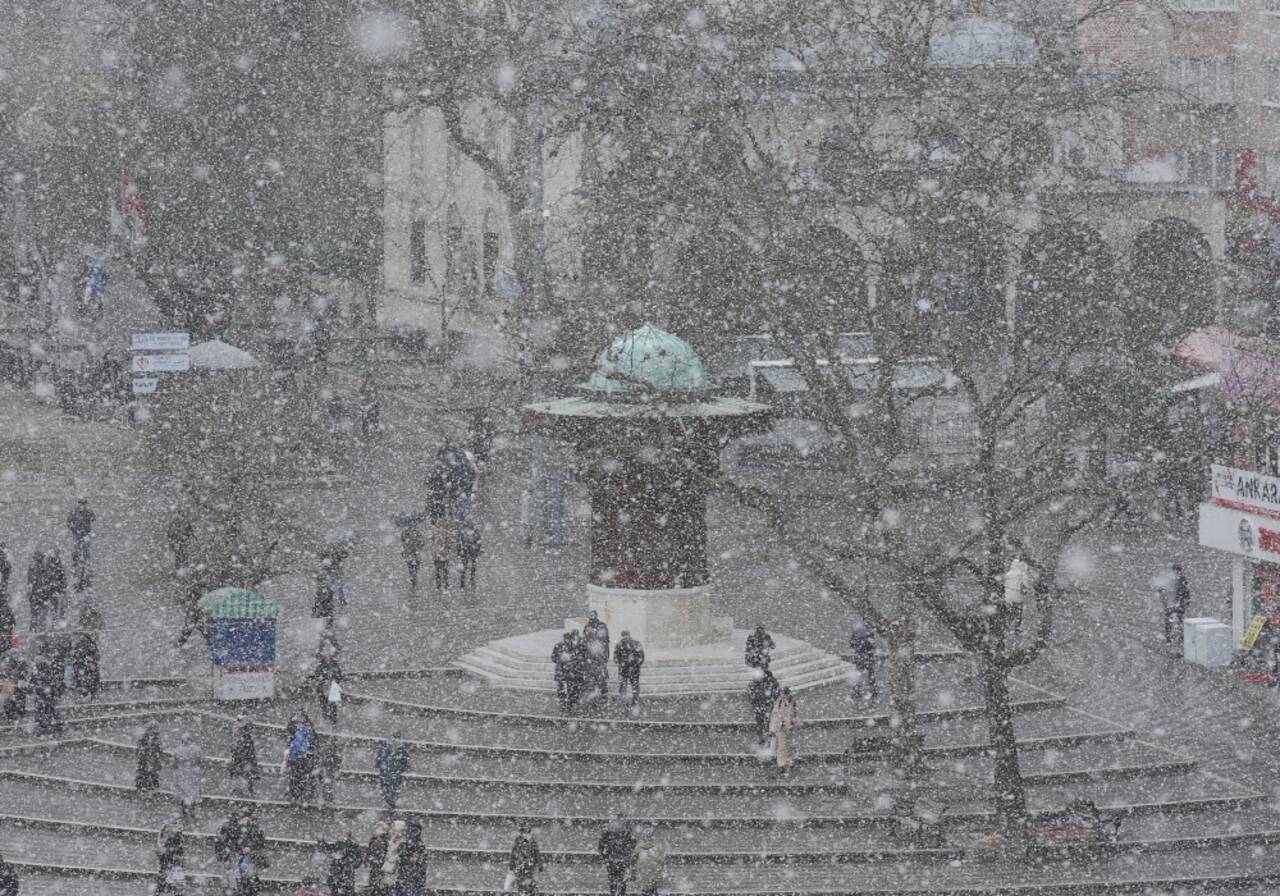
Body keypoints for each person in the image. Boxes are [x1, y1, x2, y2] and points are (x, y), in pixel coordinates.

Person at [597, 816, 637, 896]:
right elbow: (633, 843)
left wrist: (605, 857)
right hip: (622, 859)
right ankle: (621, 893)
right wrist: (628, 854)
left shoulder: (608, 830)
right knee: (622, 879)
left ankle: (614, 892)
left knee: (612, 880)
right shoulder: (626, 829)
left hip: (611, 859)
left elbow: (601, 845)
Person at [317, 829, 363, 896]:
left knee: (343, 890)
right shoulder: (341, 845)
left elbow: (358, 862)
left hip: (345, 877)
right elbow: (326, 848)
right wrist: (320, 840)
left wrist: (346, 861)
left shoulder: (352, 847)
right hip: (339, 876)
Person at [307, 649, 344, 726]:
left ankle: (332, 720)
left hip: (330, 689)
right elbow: (317, 675)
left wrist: (333, 680)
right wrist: (321, 679)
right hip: (323, 689)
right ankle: (327, 719)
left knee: (331, 705)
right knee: (324, 705)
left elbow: (339, 676)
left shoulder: (334, 666)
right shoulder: (322, 666)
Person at [391, 818, 427, 896]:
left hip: (409, 878)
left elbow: (422, 864)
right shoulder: (409, 844)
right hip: (409, 878)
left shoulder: (415, 845)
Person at [286, 712, 316, 804]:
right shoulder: (306, 732)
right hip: (303, 758)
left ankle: (295, 796)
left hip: (298, 758)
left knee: (295, 777)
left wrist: (291, 758)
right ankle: (300, 796)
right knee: (301, 778)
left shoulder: (300, 733)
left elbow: (295, 745)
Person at [768, 687, 799, 775]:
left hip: (789, 727)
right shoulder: (779, 702)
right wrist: (772, 729)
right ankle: (781, 765)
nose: (783, 696)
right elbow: (774, 716)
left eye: (784, 694)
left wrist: (793, 723)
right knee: (782, 747)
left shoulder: (793, 703)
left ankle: (789, 762)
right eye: (782, 694)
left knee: (789, 746)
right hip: (780, 727)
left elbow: (797, 715)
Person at [174, 731, 204, 820]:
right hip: (193, 773)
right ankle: (192, 810)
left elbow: (175, 762)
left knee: (183, 792)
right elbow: (200, 760)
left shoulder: (178, 749)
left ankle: (184, 810)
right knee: (194, 792)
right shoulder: (197, 749)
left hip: (182, 773)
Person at [376, 731, 410, 810]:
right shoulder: (401, 748)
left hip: (387, 769)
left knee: (387, 785)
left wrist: (379, 764)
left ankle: (388, 800)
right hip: (394, 770)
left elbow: (379, 758)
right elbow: (404, 761)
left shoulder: (385, 746)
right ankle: (391, 801)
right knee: (393, 786)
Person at [66, 497, 94, 592]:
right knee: (76, 548)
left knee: (86, 549)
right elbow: (68, 522)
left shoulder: (88, 512)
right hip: (77, 534)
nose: (82, 506)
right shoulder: (74, 512)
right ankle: (76, 561)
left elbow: (93, 518)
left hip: (85, 534)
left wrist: (88, 516)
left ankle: (86, 561)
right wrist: (73, 528)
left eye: (84, 504)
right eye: (81, 504)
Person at [582, 611, 610, 704]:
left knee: (601, 677)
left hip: (600, 655)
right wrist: (586, 656)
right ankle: (593, 696)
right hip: (591, 655)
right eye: (590, 615)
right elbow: (584, 641)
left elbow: (606, 640)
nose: (591, 617)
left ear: (596, 616)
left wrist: (605, 656)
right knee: (591, 677)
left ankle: (603, 695)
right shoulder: (587, 627)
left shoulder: (602, 626)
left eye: (593, 615)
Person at [508, 825, 544, 896]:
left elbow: (537, 853)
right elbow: (513, 853)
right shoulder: (518, 841)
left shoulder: (532, 842)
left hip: (529, 866)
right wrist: (511, 864)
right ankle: (523, 892)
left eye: (526, 832)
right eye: (523, 832)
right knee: (521, 883)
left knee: (529, 883)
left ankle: (528, 892)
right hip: (520, 866)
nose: (524, 834)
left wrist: (540, 864)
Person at [849, 621, 880, 703]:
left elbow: (851, 643)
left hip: (859, 656)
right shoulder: (870, 631)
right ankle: (873, 691)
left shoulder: (857, 630)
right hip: (868, 657)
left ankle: (857, 691)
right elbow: (872, 644)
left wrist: (856, 647)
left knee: (859, 675)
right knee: (871, 674)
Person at [229, 715, 260, 797]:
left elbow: (241, 748)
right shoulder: (241, 734)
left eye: (237, 721)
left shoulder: (242, 734)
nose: (235, 723)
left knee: (242, 774)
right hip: (242, 759)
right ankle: (244, 790)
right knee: (243, 774)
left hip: (242, 759)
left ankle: (243, 791)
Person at [749, 669, 780, 747]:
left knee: (762, 724)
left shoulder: (757, 682)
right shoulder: (771, 681)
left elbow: (751, 693)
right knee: (766, 723)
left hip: (762, 706)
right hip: (765, 706)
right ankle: (767, 739)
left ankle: (764, 739)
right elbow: (777, 692)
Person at [613, 630, 645, 705]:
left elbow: (641, 655)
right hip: (625, 669)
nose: (625, 636)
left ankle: (634, 699)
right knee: (625, 685)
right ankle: (625, 700)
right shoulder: (620, 644)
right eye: (624, 635)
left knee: (633, 685)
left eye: (626, 635)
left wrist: (637, 663)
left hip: (631, 668)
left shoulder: (635, 643)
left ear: (629, 635)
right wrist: (620, 662)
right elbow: (615, 656)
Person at [315, 725, 343, 807]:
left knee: (327, 785)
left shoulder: (331, 749)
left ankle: (327, 800)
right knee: (327, 785)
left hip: (328, 768)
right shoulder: (330, 748)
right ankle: (326, 800)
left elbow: (337, 759)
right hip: (327, 768)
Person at [313, 550, 346, 619]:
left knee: (325, 597)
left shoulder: (330, 571)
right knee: (325, 597)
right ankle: (324, 612)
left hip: (329, 586)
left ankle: (323, 612)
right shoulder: (331, 571)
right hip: (329, 587)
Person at [551, 631, 579, 712]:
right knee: (562, 688)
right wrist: (561, 661)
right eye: (566, 639)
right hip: (563, 671)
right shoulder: (559, 646)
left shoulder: (573, 647)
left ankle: (568, 704)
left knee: (570, 688)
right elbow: (553, 657)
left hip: (569, 671)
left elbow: (577, 658)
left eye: (568, 639)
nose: (567, 640)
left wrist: (572, 663)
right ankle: (564, 703)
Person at [397, 514, 425, 593]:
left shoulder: (408, 532)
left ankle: (413, 577)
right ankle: (413, 577)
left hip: (412, 553)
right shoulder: (407, 533)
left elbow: (421, 542)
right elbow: (422, 543)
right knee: (413, 567)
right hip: (412, 553)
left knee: (413, 567)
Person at [156, 821, 186, 894]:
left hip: (169, 864)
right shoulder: (177, 841)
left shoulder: (174, 842)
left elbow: (160, 843)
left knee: (164, 882)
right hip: (170, 864)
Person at [69, 630, 101, 699]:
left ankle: (85, 693)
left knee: (81, 680)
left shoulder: (79, 645)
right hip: (88, 667)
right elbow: (97, 656)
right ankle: (91, 694)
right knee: (91, 681)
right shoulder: (91, 644)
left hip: (84, 667)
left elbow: (74, 656)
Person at [1166, 563, 1192, 647]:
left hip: (1178, 604)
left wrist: (1185, 601)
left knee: (1178, 620)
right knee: (1170, 621)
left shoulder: (1182, 580)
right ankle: (1170, 638)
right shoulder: (1171, 580)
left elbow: (1187, 592)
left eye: (1178, 571)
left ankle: (1179, 637)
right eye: (1175, 571)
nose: (1176, 572)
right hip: (1172, 604)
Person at [457, 516, 481, 590]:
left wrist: (459, 551)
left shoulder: (463, 529)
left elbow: (459, 541)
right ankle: (470, 581)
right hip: (470, 550)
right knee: (471, 566)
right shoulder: (473, 529)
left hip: (466, 550)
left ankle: (464, 582)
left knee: (466, 566)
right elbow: (478, 540)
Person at [136, 722, 163, 791]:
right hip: (146, 759)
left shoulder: (157, 739)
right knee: (144, 771)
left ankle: (151, 785)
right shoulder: (144, 738)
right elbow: (139, 748)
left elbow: (159, 751)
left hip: (152, 759)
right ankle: (143, 784)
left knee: (152, 772)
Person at [431, 519, 454, 592]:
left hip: (437, 554)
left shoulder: (435, 532)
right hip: (443, 554)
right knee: (445, 570)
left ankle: (439, 585)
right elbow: (450, 541)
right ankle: (445, 584)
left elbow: (433, 543)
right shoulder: (446, 532)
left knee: (438, 570)